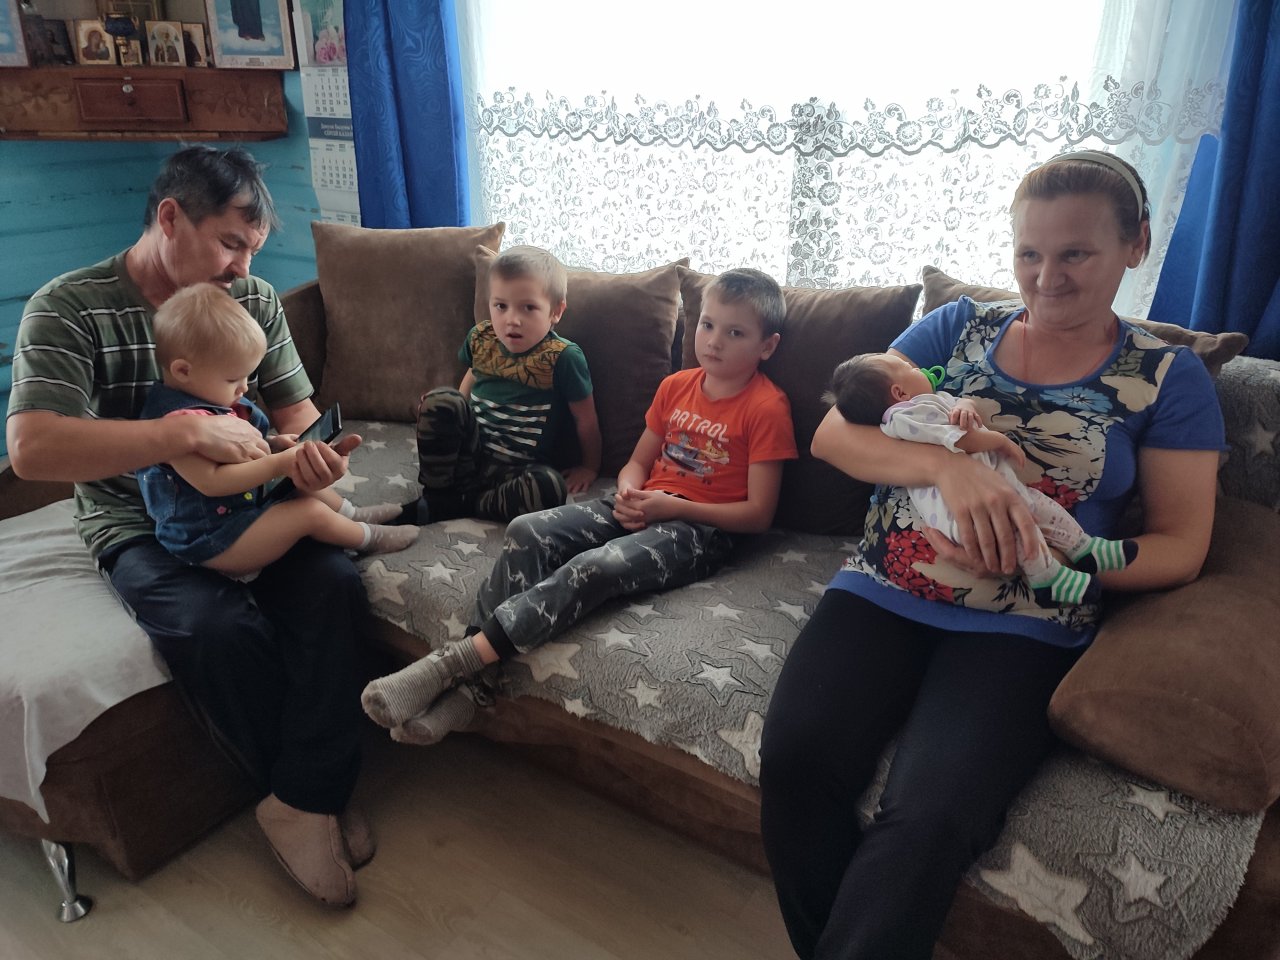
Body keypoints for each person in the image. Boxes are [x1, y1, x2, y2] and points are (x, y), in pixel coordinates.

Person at [759, 151, 1225, 960]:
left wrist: (1046, 560)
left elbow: (1181, 546)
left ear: (1136, 245)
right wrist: (946, 470)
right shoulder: (956, 328)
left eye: (1075, 253)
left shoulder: (1166, 377)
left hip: (1027, 626)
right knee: (797, 760)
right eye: (1029, 253)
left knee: (932, 814)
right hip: (882, 588)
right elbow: (834, 433)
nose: (1047, 277)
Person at [8, 146, 374, 908]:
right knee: (215, 627)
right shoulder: (68, 307)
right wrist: (182, 435)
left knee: (335, 584)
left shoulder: (253, 300)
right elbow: (33, 449)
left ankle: (303, 796)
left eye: (253, 250)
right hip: (134, 522)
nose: (243, 268)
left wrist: (307, 458)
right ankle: (307, 794)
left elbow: (297, 413)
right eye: (231, 243)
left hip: (246, 502)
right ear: (170, 218)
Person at [363, 267, 799, 744]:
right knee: (527, 529)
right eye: (708, 325)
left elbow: (758, 514)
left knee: (597, 565)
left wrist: (670, 508)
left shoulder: (766, 407)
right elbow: (637, 463)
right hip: (641, 504)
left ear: (767, 346)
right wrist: (630, 491)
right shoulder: (676, 387)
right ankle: (474, 691)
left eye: (735, 333)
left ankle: (455, 665)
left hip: (699, 531)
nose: (714, 341)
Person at [138, 283, 417, 577]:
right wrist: (279, 463)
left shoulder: (213, 398)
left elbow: (233, 452)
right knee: (308, 513)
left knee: (298, 483)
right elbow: (213, 481)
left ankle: (352, 514)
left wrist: (273, 445)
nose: (244, 388)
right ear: (183, 371)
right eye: (233, 379)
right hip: (211, 539)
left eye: (247, 376)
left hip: (243, 510)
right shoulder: (175, 428)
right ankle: (369, 538)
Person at [826, 351, 1138, 607]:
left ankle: (1085, 548)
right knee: (1012, 528)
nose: (917, 367)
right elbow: (955, 439)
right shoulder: (902, 417)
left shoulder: (929, 401)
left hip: (1001, 489)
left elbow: (959, 406)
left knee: (1042, 508)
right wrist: (997, 440)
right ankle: (1046, 577)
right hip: (958, 510)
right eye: (908, 368)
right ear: (899, 392)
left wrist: (965, 404)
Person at [397, 244, 602, 526]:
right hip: (470, 457)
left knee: (550, 487)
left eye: (528, 308)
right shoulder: (482, 337)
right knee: (440, 399)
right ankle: (438, 492)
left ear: (556, 311)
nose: (512, 320)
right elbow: (471, 376)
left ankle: (458, 504)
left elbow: (586, 420)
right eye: (500, 306)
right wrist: (450, 414)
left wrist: (590, 467)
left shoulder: (563, 357)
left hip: (518, 470)